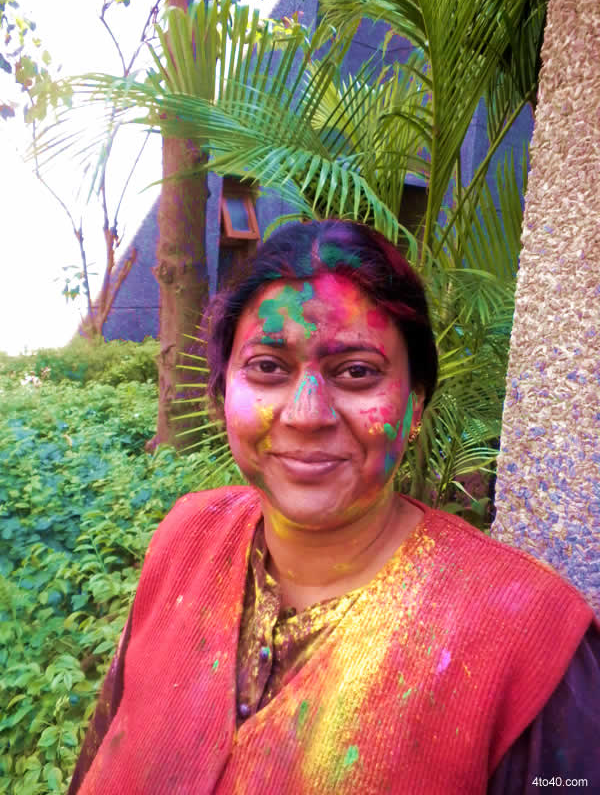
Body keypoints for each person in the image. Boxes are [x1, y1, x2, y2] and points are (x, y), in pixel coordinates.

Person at [69, 220, 599, 794]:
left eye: (357, 372)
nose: (307, 414)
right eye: (269, 367)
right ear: (225, 391)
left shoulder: (533, 646)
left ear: (415, 402)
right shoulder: (185, 541)